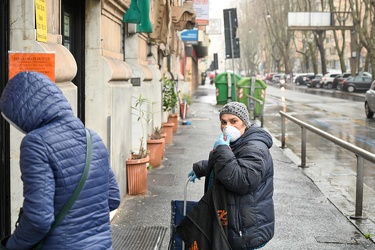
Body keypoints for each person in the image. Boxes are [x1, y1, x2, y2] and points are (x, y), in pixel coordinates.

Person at [0, 71, 121, 249]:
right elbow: (112, 198)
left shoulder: (36, 143)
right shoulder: (92, 138)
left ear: (22, 114)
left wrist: (12, 245)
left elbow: (38, 219)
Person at [188, 101, 274, 250]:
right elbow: (232, 163)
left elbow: (242, 180)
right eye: (223, 122)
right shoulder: (240, 141)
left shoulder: (255, 147)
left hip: (246, 227)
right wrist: (202, 168)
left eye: (234, 121)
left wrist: (221, 149)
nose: (228, 126)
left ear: (245, 123)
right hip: (234, 220)